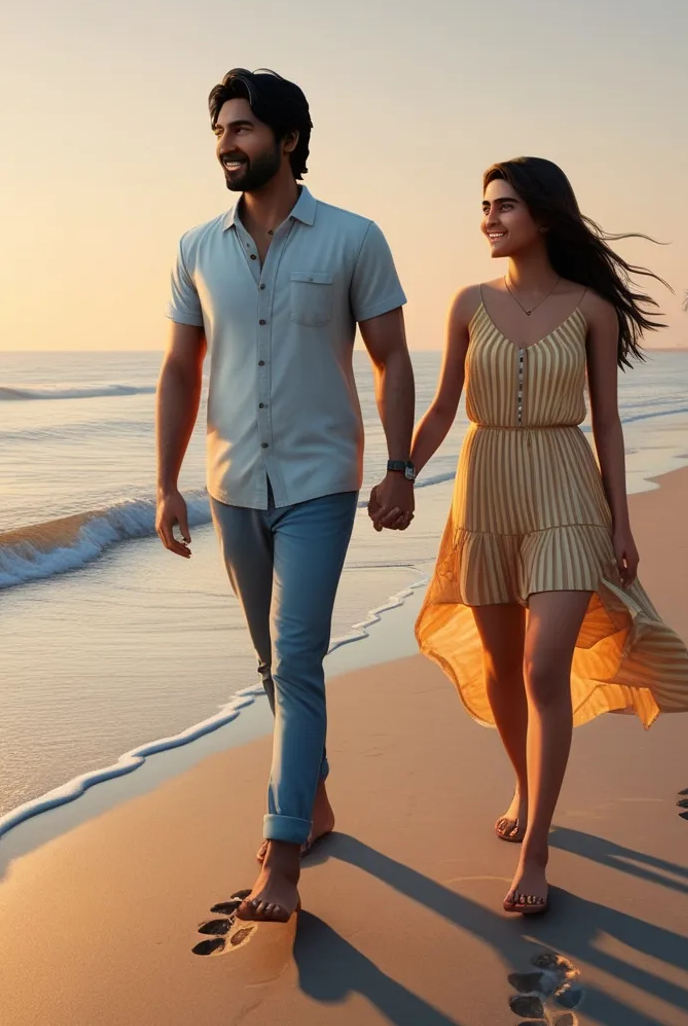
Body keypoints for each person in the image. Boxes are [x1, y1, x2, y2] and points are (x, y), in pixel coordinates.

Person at [410, 157, 688, 915]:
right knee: (499, 667)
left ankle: (538, 844)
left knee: (545, 668)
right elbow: (446, 407)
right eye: (483, 206)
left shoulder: (590, 309)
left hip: (566, 491)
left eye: (504, 206)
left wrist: (622, 516)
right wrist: (398, 471)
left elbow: (607, 422)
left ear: (543, 217)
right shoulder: (466, 303)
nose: (488, 218)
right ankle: (523, 780)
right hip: (484, 492)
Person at [156, 68, 416, 922]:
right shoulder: (197, 249)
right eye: (220, 133)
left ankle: (282, 854)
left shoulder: (353, 239)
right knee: (271, 663)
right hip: (232, 487)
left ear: (289, 139)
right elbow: (178, 370)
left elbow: (392, 360)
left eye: (242, 130)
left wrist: (400, 466)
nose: (227, 145)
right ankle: (318, 798)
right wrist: (165, 485)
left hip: (317, 483)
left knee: (297, 658)